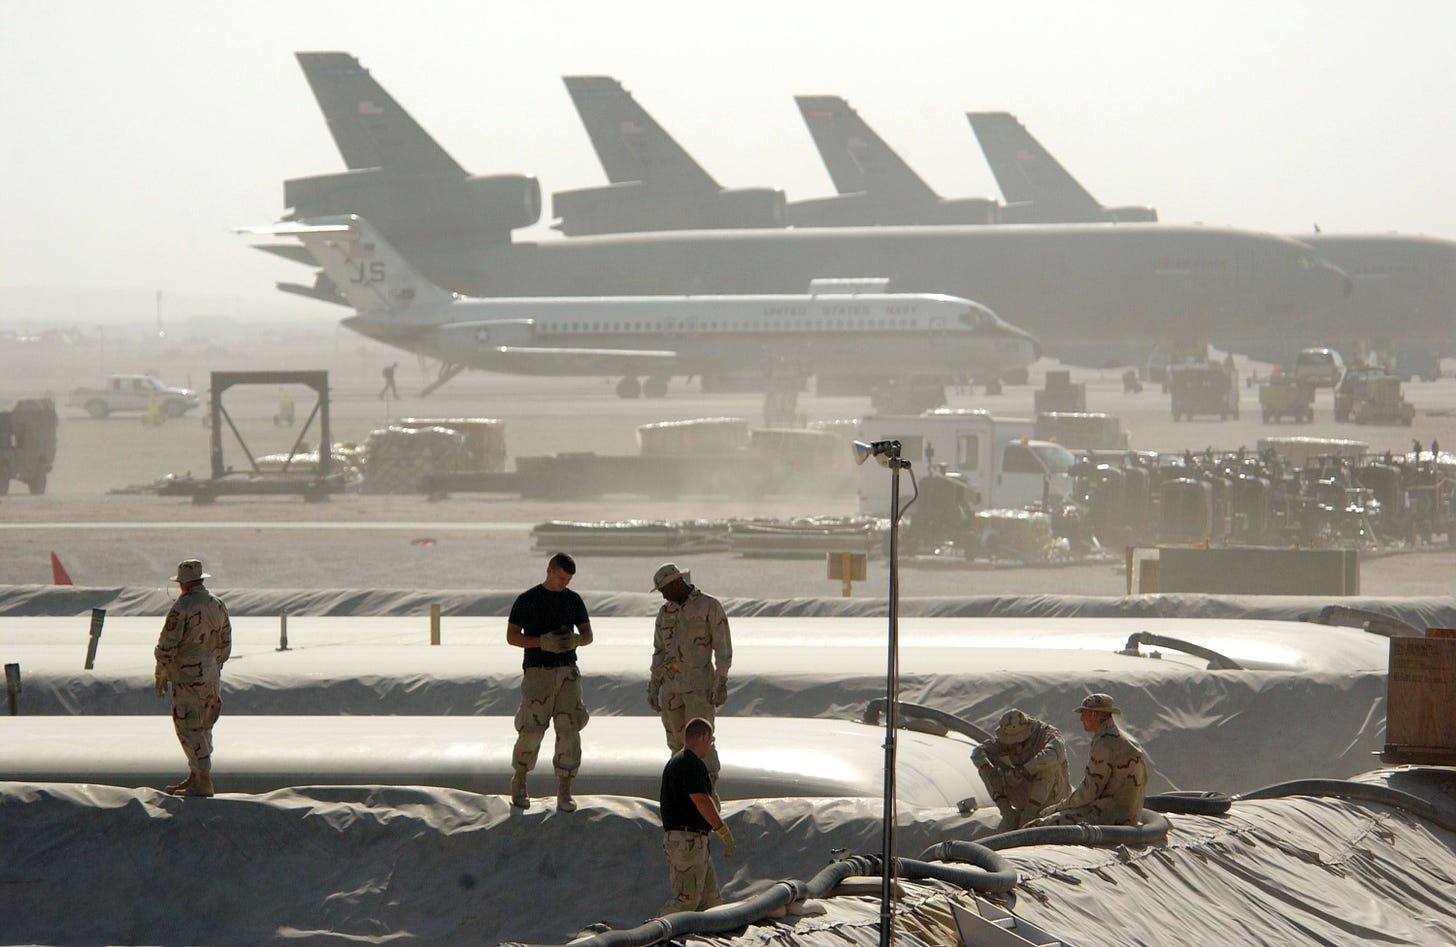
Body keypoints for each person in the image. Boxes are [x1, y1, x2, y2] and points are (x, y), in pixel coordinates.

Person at [506, 552, 593, 812]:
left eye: (567, 580)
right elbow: (512, 636)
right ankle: (520, 780)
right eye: (560, 578)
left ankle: (565, 789)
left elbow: (588, 634)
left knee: (569, 730)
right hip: (538, 673)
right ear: (549, 570)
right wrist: (542, 642)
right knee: (532, 728)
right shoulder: (527, 600)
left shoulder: (573, 600)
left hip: (567, 672)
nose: (563, 584)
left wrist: (575, 640)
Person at [647, 563, 732, 789]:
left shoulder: (708, 607)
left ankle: (709, 794)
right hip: (672, 689)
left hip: (699, 688)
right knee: (677, 743)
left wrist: (721, 681)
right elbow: (659, 651)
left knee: (702, 743)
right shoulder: (665, 613)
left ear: (677, 583)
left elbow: (722, 647)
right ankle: (683, 794)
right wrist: (654, 686)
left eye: (665, 589)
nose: (664, 595)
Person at [153, 559, 232, 797]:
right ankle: (196, 774)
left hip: (189, 677)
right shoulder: (217, 604)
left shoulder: (182, 608)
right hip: (210, 675)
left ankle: (203, 780)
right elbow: (225, 641)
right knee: (204, 725)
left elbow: (168, 643)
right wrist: (213, 667)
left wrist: (161, 670)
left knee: (188, 726)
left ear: (183, 584)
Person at [1031, 693, 1148, 827]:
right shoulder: (1123, 738)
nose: (1081, 719)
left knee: (1040, 825)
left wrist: (1059, 807)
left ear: (1094, 715)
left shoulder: (1105, 742)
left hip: (1110, 818)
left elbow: (1090, 791)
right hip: (1127, 815)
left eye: (1084, 713)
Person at [658, 717, 734, 916]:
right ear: (704, 736)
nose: (710, 745)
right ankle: (653, 934)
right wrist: (722, 829)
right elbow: (701, 800)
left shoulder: (677, 762)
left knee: (710, 902)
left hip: (694, 841)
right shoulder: (689, 763)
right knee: (686, 901)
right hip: (687, 841)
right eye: (711, 740)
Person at [970, 708, 1071, 831]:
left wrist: (1024, 770)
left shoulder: (1047, 734)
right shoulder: (1007, 739)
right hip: (1025, 791)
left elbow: (1055, 753)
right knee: (985, 768)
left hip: (1052, 796)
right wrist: (986, 765)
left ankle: (1030, 814)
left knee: (1048, 764)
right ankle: (1007, 813)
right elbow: (979, 752)